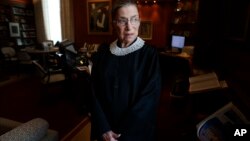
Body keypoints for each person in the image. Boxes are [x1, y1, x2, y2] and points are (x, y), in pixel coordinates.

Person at [90, 0, 161, 141]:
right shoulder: (103, 53)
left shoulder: (150, 55)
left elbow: (149, 99)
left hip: (135, 133)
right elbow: (93, 92)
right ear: (114, 24)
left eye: (134, 19)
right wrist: (104, 129)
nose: (129, 27)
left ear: (139, 22)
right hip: (105, 131)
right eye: (123, 21)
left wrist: (121, 134)